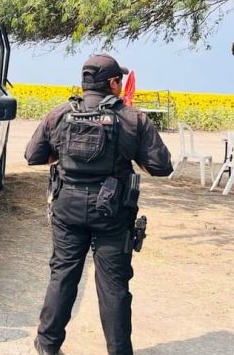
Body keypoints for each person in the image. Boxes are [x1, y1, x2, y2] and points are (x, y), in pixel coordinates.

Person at [25, 54, 173, 355]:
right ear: (113, 83)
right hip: (113, 214)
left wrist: (64, 157)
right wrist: (132, 158)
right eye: (119, 79)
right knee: (114, 286)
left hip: (67, 210)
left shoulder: (60, 113)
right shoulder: (133, 118)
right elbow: (162, 166)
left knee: (63, 276)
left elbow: (33, 156)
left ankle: (48, 345)